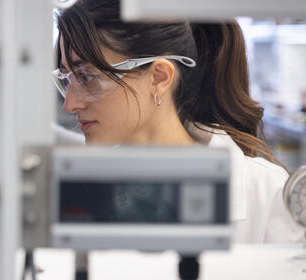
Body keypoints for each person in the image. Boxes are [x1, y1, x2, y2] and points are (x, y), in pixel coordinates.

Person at [52, 0, 303, 243]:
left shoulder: (267, 193)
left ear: (159, 78)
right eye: (66, 79)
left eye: (86, 76)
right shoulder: (83, 191)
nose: (70, 104)